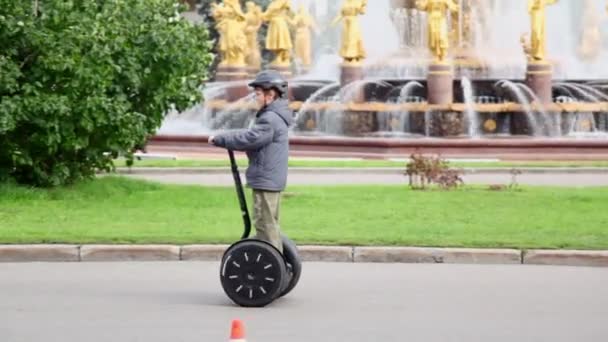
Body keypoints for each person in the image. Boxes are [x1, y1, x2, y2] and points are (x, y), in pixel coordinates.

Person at [208, 70, 293, 254]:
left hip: (266, 180)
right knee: (269, 225)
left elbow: (250, 138)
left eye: (258, 94)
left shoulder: (270, 119)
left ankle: (273, 266)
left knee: (265, 225)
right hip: (270, 179)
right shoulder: (274, 116)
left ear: (271, 95)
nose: (255, 97)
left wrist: (220, 139)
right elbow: (250, 136)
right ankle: (276, 264)